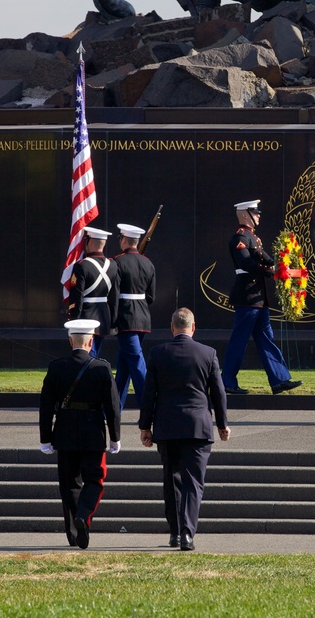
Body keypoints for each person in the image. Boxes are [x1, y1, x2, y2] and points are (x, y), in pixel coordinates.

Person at [139, 308, 231, 551]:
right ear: (193, 327)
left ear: (172, 328)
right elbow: (218, 393)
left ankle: (175, 533)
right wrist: (222, 424)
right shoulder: (208, 353)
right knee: (194, 483)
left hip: (167, 427)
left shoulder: (158, 353)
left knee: (172, 481)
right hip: (198, 427)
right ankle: (188, 533)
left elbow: (149, 393)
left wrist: (144, 426)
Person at [39, 319, 122, 549]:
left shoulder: (56, 367)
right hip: (93, 433)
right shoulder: (102, 367)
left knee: (69, 484)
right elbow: (113, 407)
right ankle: (84, 516)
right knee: (95, 480)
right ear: (91, 341)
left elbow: (46, 406)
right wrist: (115, 436)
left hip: (64, 433)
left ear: (70, 341)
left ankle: (74, 533)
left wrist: (45, 438)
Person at [223, 199, 302, 396]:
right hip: (247, 297)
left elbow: (266, 259)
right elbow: (248, 264)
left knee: (267, 339)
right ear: (244, 215)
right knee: (239, 341)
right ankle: (227, 382)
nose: (258, 215)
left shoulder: (254, 239)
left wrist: (285, 267)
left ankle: (279, 380)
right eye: (255, 212)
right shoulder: (239, 238)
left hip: (258, 299)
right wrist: (271, 270)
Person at [112, 223, 155, 410]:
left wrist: (112, 319)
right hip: (142, 317)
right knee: (124, 368)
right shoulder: (148, 263)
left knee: (137, 365)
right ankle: (113, 409)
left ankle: (150, 408)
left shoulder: (117, 262)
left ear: (123, 240)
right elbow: (151, 296)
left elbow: (113, 295)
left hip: (125, 318)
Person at [67, 227, 120, 359]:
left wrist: (74, 319)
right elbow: (114, 296)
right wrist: (112, 320)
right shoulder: (113, 265)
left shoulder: (82, 265)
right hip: (104, 316)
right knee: (93, 353)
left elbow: (77, 296)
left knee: (87, 355)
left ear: (89, 242)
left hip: (85, 316)